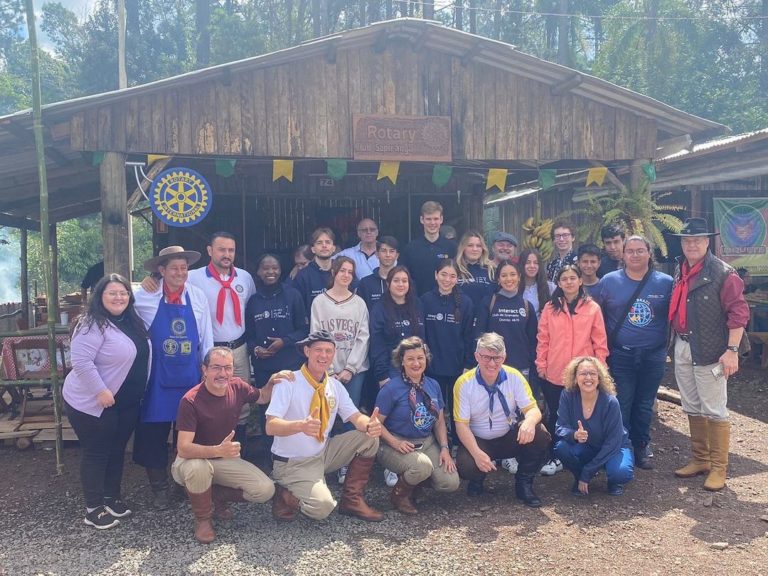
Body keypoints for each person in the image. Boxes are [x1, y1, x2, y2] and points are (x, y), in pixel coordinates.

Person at [172, 347, 290, 543]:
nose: (223, 374)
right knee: (198, 467)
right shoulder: (190, 400)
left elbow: (262, 396)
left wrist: (271, 381)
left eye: (228, 368)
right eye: (216, 368)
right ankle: (203, 519)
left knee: (265, 489)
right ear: (204, 369)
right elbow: (184, 448)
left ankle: (215, 496)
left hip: (221, 459)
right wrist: (217, 450)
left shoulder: (237, 386)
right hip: (189, 461)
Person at [265, 330, 384, 522]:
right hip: (293, 463)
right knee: (322, 508)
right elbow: (270, 426)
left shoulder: (334, 386)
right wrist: (300, 426)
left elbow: (354, 416)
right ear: (306, 351)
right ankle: (282, 494)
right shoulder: (288, 381)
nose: (324, 356)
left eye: (329, 351)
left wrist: (369, 424)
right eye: (318, 350)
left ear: (334, 354)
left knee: (369, 438)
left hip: (322, 453)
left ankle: (352, 500)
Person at [63, 274, 150, 530]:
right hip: (93, 402)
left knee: (116, 449)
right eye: (112, 293)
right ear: (100, 296)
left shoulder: (132, 321)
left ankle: (111, 497)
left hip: (125, 401)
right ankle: (93, 508)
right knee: (97, 451)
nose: (119, 297)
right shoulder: (91, 324)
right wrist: (100, 391)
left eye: (123, 293)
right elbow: (81, 362)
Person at [669, 218, 749, 491]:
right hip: (683, 344)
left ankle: (719, 468)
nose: (691, 244)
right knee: (691, 404)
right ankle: (701, 459)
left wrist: (732, 350)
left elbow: (739, 314)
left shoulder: (723, 273)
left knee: (714, 408)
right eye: (687, 240)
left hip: (712, 349)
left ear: (707, 242)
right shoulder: (680, 268)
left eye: (697, 240)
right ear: (682, 243)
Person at [133, 246, 213, 509]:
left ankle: (182, 484)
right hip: (156, 378)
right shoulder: (145, 295)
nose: (180, 273)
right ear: (161, 270)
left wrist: (209, 367)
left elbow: (206, 334)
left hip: (190, 376)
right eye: (174, 268)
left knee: (187, 434)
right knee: (152, 434)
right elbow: (121, 305)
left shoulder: (198, 296)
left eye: (183, 268)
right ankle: (159, 489)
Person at [593, 235, 672, 470]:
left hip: (653, 354)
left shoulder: (665, 282)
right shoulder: (608, 281)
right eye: (630, 251)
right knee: (623, 401)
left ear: (650, 253)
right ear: (623, 254)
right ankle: (621, 445)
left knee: (645, 404)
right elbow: (594, 314)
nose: (635, 255)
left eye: (640, 250)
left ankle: (641, 445)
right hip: (621, 354)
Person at [454, 333, 550, 506]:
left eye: (497, 358)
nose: (492, 363)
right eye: (486, 357)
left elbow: (533, 409)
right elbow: (461, 424)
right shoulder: (464, 383)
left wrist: (529, 422)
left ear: (504, 357)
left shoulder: (514, 376)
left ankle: (524, 484)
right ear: (476, 356)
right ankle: (477, 479)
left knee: (540, 433)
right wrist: (476, 454)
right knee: (466, 464)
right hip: (479, 440)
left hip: (508, 437)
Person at [536, 264, 608, 476]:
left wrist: (600, 368)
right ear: (558, 283)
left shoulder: (592, 308)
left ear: (580, 281)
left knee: (584, 414)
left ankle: (583, 454)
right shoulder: (550, 308)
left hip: (584, 373)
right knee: (557, 416)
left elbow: (600, 342)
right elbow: (543, 339)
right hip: (555, 372)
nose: (569, 282)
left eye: (572, 278)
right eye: (564, 278)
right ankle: (556, 455)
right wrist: (541, 364)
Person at [375, 337, 460, 514]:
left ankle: (416, 484)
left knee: (450, 483)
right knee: (421, 466)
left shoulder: (433, 385)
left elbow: (439, 420)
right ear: (402, 362)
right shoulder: (391, 389)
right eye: (410, 359)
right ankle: (399, 495)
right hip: (397, 444)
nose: (416, 363)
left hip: (426, 442)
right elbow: (376, 423)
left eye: (420, 358)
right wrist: (394, 442)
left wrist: (444, 448)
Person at [310, 256, 370, 475]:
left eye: (350, 272)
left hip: (353, 371)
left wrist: (349, 369)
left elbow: (363, 337)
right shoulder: (320, 302)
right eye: (342, 271)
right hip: (327, 371)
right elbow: (316, 335)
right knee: (324, 415)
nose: (346, 275)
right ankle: (318, 461)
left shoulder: (359, 303)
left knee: (349, 415)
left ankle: (346, 464)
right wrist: (330, 370)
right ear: (334, 273)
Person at [554, 357, 634, 496]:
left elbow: (613, 442)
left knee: (620, 473)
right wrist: (574, 435)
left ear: (599, 378)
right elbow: (560, 426)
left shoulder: (610, 401)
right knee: (562, 448)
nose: (588, 377)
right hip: (587, 447)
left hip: (614, 448)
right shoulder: (567, 395)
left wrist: (588, 471)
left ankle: (611, 481)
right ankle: (579, 477)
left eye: (593, 373)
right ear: (575, 378)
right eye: (583, 373)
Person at [420, 259, 475, 433]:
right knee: (433, 408)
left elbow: (469, 337)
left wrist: (468, 364)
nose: (447, 279)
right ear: (436, 275)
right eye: (443, 274)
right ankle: (436, 443)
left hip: (457, 367)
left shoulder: (466, 303)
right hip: (431, 367)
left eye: (452, 276)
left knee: (458, 410)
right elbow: (421, 335)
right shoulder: (425, 300)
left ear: (457, 279)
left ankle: (458, 444)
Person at [246, 254, 308, 389]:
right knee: (266, 407)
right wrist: (256, 349)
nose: (270, 272)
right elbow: (249, 336)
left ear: (280, 270)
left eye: (275, 268)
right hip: (263, 369)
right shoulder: (253, 301)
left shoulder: (293, 295)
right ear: (258, 272)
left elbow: (304, 330)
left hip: (291, 365)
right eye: (265, 268)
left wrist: (284, 341)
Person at [476, 260, 538, 378]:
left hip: (521, 367)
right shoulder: (488, 303)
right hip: (493, 365)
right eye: (504, 275)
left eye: (513, 274)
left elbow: (533, 341)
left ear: (519, 277)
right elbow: (479, 336)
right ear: (498, 279)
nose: (509, 279)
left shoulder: (526, 305)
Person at [369, 266, 425, 385]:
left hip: (415, 367)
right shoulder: (379, 309)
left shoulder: (417, 305)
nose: (401, 284)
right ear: (388, 284)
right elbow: (377, 345)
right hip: (390, 370)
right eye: (396, 280)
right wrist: (382, 375)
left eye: (404, 281)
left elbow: (422, 339)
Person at [400, 201, 457, 295]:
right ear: (422, 220)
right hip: (417, 303)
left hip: (446, 303)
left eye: (436, 219)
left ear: (441, 219)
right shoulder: (410, 249)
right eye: (428, 219)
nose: (432, 223)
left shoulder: (452, 247)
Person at [294, 228, 337, 310]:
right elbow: (298, 306)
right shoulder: (303, 276)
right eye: (319, 243)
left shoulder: (342, 270)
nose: (324, 245)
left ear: (333, 248)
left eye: (328, 242)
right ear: (313, 249)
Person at [456, 230, 496, 309]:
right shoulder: (454, 268)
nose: (475, 249)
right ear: (463, 248)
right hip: (460, 317)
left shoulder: (491, 270)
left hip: (484, 318)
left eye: (478, 246)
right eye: (470, 245)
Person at [357, 236, 399, 310]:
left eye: (392, 251)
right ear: (377, 254)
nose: (388, 255)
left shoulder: (405, 282)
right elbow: (360, 311)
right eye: (383, 251)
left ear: (397, 255)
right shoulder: (365, 283)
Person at [519, 248, 555, 318]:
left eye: (536, 263)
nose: (532, 266)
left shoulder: (550, 287)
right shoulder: (514, 288)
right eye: (528, 262)